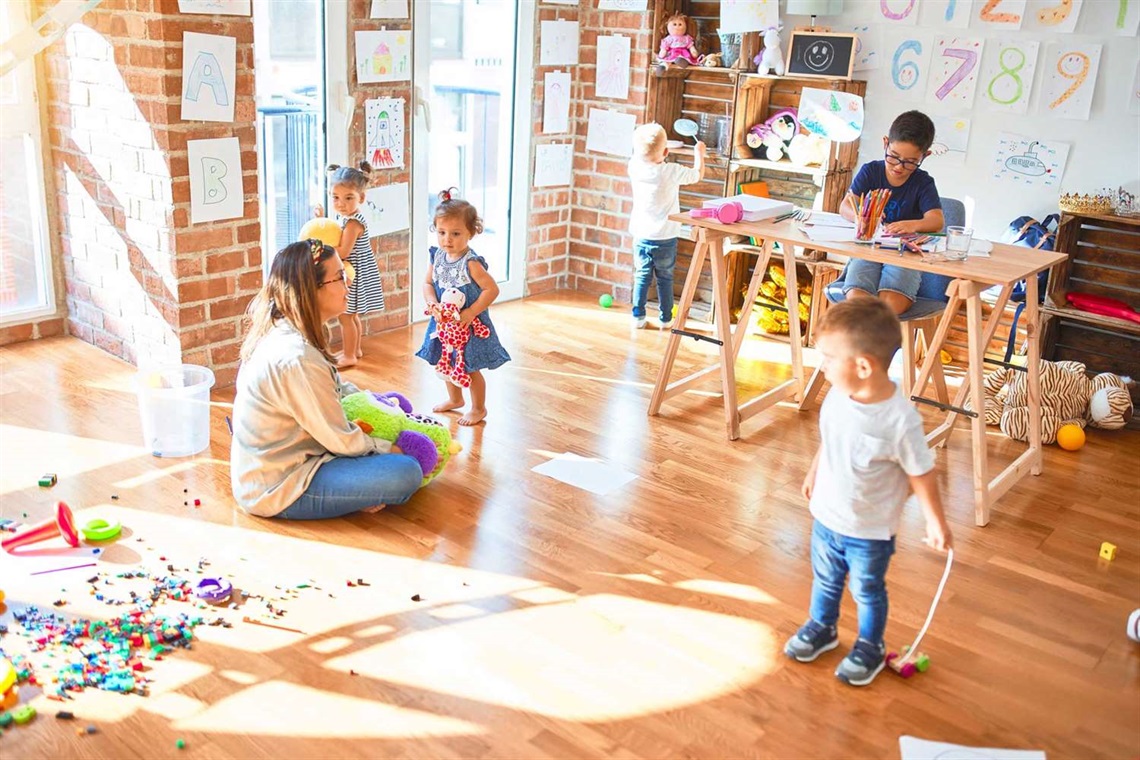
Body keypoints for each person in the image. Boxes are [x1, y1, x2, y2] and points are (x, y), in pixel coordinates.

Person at [786, 298, 952, 686]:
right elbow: (829, 439)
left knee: (867, 590)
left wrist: (936, 522)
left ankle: (870, 646)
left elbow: (922, 473)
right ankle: (823, 627)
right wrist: (814, 470)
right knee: (825, 581)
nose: (822, 365)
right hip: (827, 517)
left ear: (863, 366)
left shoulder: (899, 420)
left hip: (869, 532)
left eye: (828, 357)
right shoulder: (837, 396)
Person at [230, 239, 422, 520]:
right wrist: (387, 448)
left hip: (297, 460)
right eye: (340, 277)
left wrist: (377, 403)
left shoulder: (292, 332)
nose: (348, 285)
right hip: (280, 486)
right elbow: (340, 440)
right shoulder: (297, 357)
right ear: (313, 290)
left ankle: (350, 492)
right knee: (406, 471)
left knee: (384, 426)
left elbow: (335, 390)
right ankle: (350, 494)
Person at [415, 189, 510, 426]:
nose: (447, 239)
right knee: (445, 359)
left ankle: (478, 408)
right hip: (444, 324)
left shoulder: (471, 264)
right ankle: (454, 399)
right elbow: (428, 283)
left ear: (471, 233)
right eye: (442, 232)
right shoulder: (436, 257)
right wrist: (432, 304)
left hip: (468, 327)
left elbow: (492, 290)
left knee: (469, 365)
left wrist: (470, 312)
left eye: (456, 233)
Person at [839, 110, 945, 315]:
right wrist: (861, 216)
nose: (899, 166)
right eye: (894, 157)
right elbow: (845, 206)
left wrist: (911, 225)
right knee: (857, 304)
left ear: (925, 156)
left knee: (888, 309)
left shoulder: (922, 182)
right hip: (868, 250)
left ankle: (869, 344)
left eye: (910, 161)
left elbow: (936, 220)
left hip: (903, 255)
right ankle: (867, 344)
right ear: (885, 143)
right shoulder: (871, 171)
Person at [628, 122, 706, 329]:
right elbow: (697, 175)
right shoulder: (671, 171)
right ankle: (665, 318)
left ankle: (638, 316)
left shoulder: (634, 168)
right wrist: (699, 154)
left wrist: (657, 149)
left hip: (641, 235)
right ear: (666, 151)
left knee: (642, 276)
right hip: (666, 236)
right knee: (665, 278)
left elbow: (645, 154)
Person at [324, 161, 385, 368]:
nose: (341, 203)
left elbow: (343, 251)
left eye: (348, 198)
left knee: (346, 316)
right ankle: (355, 349)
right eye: (336, 198)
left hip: (354, 273)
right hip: (356, 271)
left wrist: (322, 247)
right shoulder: (346, 218)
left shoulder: (353, 223)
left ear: (361, 198)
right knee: (352, 315)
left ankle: (349, 355)